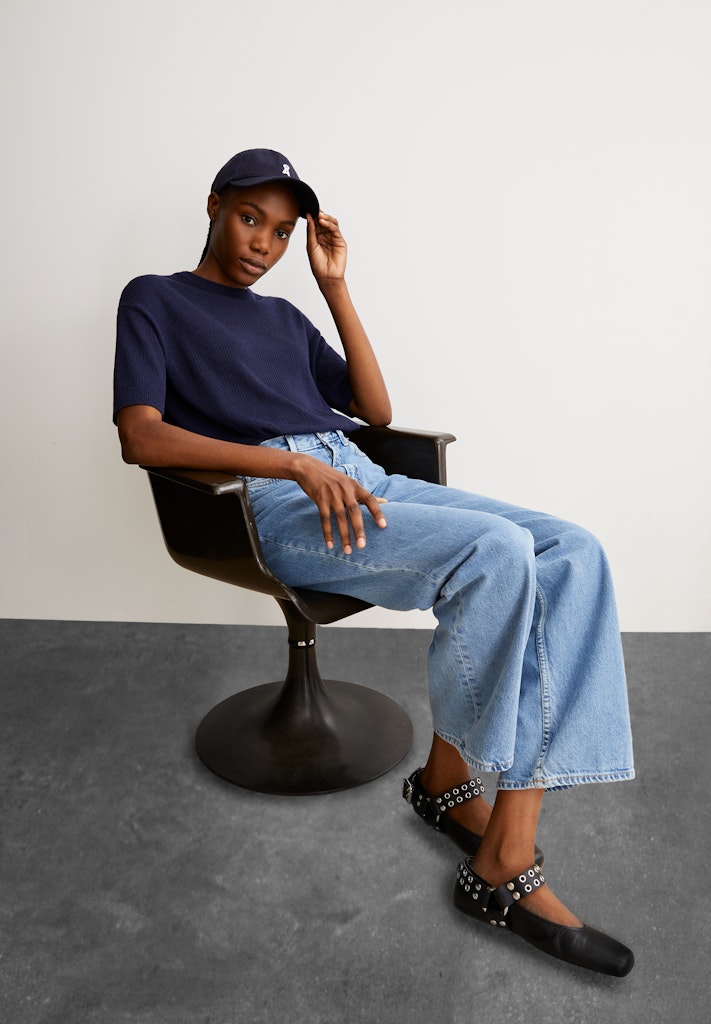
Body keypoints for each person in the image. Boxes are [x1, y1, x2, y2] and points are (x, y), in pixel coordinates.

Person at [114, 148, 635, 976]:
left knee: (573, 551)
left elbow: (374, 409)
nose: (262, 244)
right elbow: (141, 435)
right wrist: (289, 463)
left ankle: (461, 798)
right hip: (273, 499)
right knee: (497, 550)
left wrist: (334, 288)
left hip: (358, 473)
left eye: (281, 232)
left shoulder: (285, 317)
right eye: (250, 219)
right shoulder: (154, 298)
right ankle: (500, 855)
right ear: (213, 206)